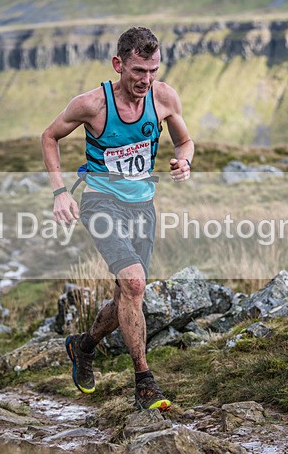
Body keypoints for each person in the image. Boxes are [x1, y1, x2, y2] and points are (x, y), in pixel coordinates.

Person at [41, 26, 194, 411]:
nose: (146, 80)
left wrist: (184, 161)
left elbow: (184, 140)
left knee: (126, 295)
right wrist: (60, 193)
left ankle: (83, 345)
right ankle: (145, 383)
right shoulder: (92, 104)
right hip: (101, 202)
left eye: (153, 70)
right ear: (118, 64)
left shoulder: (164, 97)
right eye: (138, 71)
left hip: (143, 206)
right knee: (136, 284)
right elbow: (49, 136)